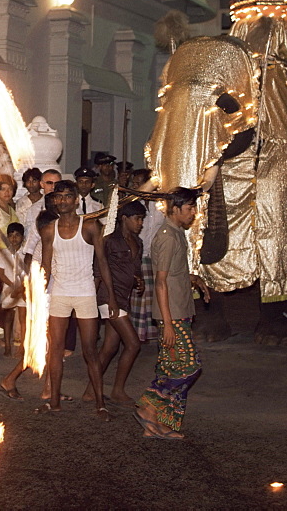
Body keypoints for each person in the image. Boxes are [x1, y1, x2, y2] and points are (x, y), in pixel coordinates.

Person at [134, 188, 210, 439]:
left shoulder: (177, 234)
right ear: (175, 209)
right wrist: (166, 323)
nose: (193, 213)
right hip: (172, 315)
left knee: (169, 367)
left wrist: (193, 279)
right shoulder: (167, 236)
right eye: (189, 208)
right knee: (188, 367)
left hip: (178, 310)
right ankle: (148, 407)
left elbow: (173, 273)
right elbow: (161, 281)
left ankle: (159, 425)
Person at [37, 180, 115, 421]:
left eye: (67, 196)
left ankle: (100, 404)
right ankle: (55, 401)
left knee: (90, 351)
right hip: (59, 292)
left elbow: (102, 263)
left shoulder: (90, 226)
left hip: (85, 293)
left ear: (75, 199)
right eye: (58, 197)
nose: (62, 201)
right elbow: (46, 266)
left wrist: (111, 297)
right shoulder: (49, 229)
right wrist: (37, 295)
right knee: (55, 350)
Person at [85, 201, 145, 405]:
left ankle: (90, 391)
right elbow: (99, 268)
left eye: (142, 219)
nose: (140, 223)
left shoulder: (138, 242)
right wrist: (107, 298)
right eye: (137, 219)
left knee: (110, 347)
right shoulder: (109, 240)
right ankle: (118, 390)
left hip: (123, 297)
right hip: (109, 297)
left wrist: (139, 280)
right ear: (124, 219)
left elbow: (134, 268)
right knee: (133, 344)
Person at [129, 169, 162, 342]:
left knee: (153, 297)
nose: (135, 187)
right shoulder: (135, 205)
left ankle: (151, 332)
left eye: (138, 183)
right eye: (134, 184)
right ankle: (137, 334)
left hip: (154, 257)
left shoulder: (161, 206)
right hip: (137, 256)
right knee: (138, 297)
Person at [0, 222, 29, 399]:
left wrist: (21, 287)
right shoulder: (4, 253)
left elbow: (27, 272)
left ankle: (23, 347)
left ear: (22, 237)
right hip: (9, 289)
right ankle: (8, 345)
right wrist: (13, 285)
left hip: (22, 290)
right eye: (11, 235)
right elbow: (2, 274)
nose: (14, 238)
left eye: (17, 235)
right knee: (8, 318)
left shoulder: (25, 253)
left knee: (23, 318)